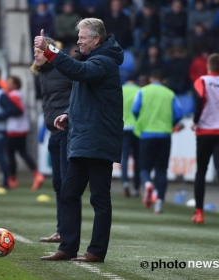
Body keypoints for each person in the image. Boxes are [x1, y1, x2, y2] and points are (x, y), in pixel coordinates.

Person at [34, 17, 124, 262]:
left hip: (99, 139)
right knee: (69, 193)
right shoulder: (93, 60)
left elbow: (80, 72)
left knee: (99, 198)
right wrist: (68, 114)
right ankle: (68, 247)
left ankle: (96, 251)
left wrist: (50, 50)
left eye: (82, 38)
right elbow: (85, 98)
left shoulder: (104, 62)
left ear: (96, 39)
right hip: (84, 137)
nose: (78, 41)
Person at [31, 36, 72, 242]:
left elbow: (79, 95)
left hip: (66, 132)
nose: (35, 55)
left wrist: (68, 114)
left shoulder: (64, 69)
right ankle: (61, 230)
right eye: (34, 51)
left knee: (66, 184)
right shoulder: (43, 73)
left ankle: (67, 234)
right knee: (57, 184)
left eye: (38, 51)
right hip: (53, 134)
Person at [132, 69, 183, 214]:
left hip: (146, 134)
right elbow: (179, 113)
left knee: (144, 168)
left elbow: (135, 109)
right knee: (161, 170)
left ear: (150, 78)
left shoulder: (143, 91)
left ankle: (148, 184)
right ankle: (159, 203)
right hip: (164, 135)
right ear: (163, 80)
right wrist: (170, 123)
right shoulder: (170, 93)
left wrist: (142, 121)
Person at [191, 53, 219, 224]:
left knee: (201, 171)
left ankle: (199, 213)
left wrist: (195, 121)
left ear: (208, 66)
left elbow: (200, 99)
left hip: (205, 131)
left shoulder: (202, 81)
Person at [5, 75, 45, 191]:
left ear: (15, 85)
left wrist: (3, 114)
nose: (7, 84)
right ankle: (37, 174)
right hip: (22, 128)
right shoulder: (19, 94)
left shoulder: (13, 95)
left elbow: (18, 110)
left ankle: (12, 179)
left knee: (11, 154)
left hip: (14, 129)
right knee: (23, 153)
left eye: (10, 82)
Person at [121, 75, 141, 197]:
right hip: (136, 128)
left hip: (123, 127)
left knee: (125, 157)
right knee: (137, 158)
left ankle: (125, 183)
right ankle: (136, 187)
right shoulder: (139, 91)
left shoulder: (120, 89)